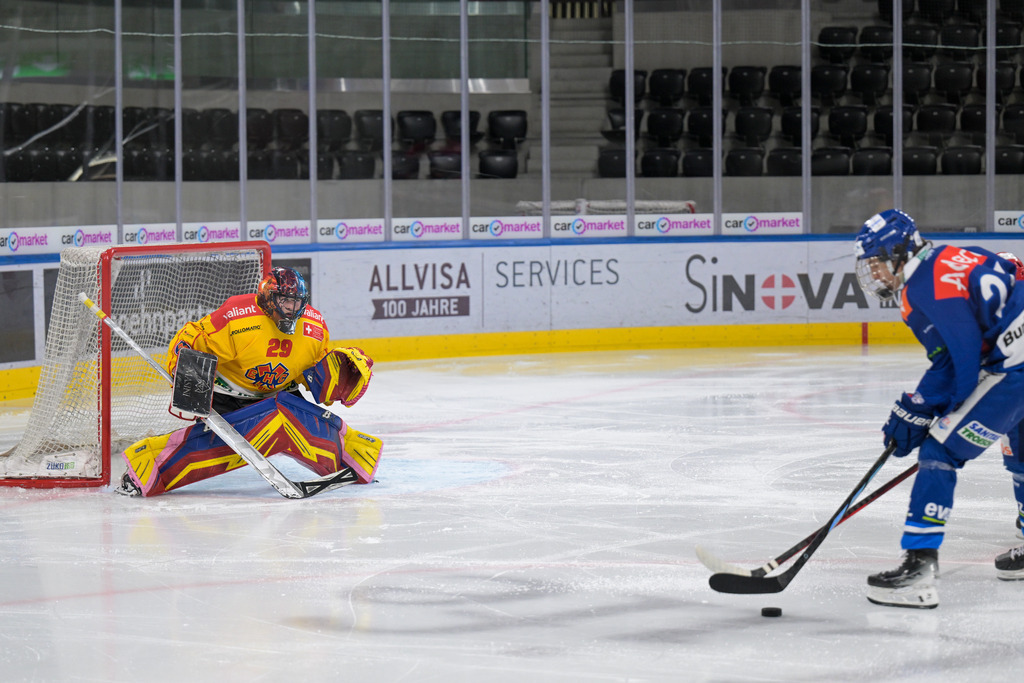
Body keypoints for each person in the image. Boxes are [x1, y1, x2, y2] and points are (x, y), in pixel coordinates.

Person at [854, 209, 1024, 609]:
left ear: (899, 252)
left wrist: (918, 408)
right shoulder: (950, 255)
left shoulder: (926, 288)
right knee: (1020, 447)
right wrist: (920, 406)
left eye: (877, 263)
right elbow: (1014, 269)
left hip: (1017, 368)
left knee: (939, 452)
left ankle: (919, 570)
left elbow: (960, 365)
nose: (875, 274)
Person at [116, 266, 381, 497]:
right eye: (285, 301)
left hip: (278, 394)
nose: (292, 309)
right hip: (228, 397)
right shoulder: (238, 317)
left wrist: (339, 374)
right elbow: (192, 338)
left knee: (297, 419)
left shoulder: (314, 327)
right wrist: (185, 371)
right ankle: (149, 465)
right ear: (268, 298)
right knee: (229, 443)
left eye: (297, 302)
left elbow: (314, 373)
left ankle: (350, 457)